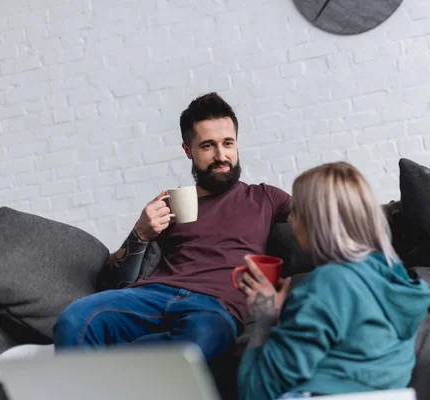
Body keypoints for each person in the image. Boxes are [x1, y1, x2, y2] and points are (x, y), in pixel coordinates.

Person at [53, 93, 291, 364]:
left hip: (214, 307)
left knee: (198, 340)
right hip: (152, 295)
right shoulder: (170, 204)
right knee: (75, 319)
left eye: (228, 143)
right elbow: (112, 283)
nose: (221, 155)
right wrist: (140, 233)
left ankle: (113, 372)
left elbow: (316, 218)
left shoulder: (265, 198)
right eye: (207, 146)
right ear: (188, 150)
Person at [236, 162, 430, 399]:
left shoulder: (327, 284)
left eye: (296, 211)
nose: (291, 220)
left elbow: (257, 392)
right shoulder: (391, 275)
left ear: (316, 221)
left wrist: (264, 319)